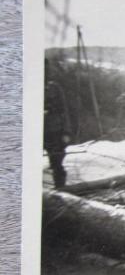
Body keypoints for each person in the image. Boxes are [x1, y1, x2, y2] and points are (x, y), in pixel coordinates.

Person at [44, 59, 72, 188]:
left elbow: (64, 110)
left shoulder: (54, 87)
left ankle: (60, 191)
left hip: (55, 130)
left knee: (57, 162)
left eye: (46, 69)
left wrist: (66, 131)